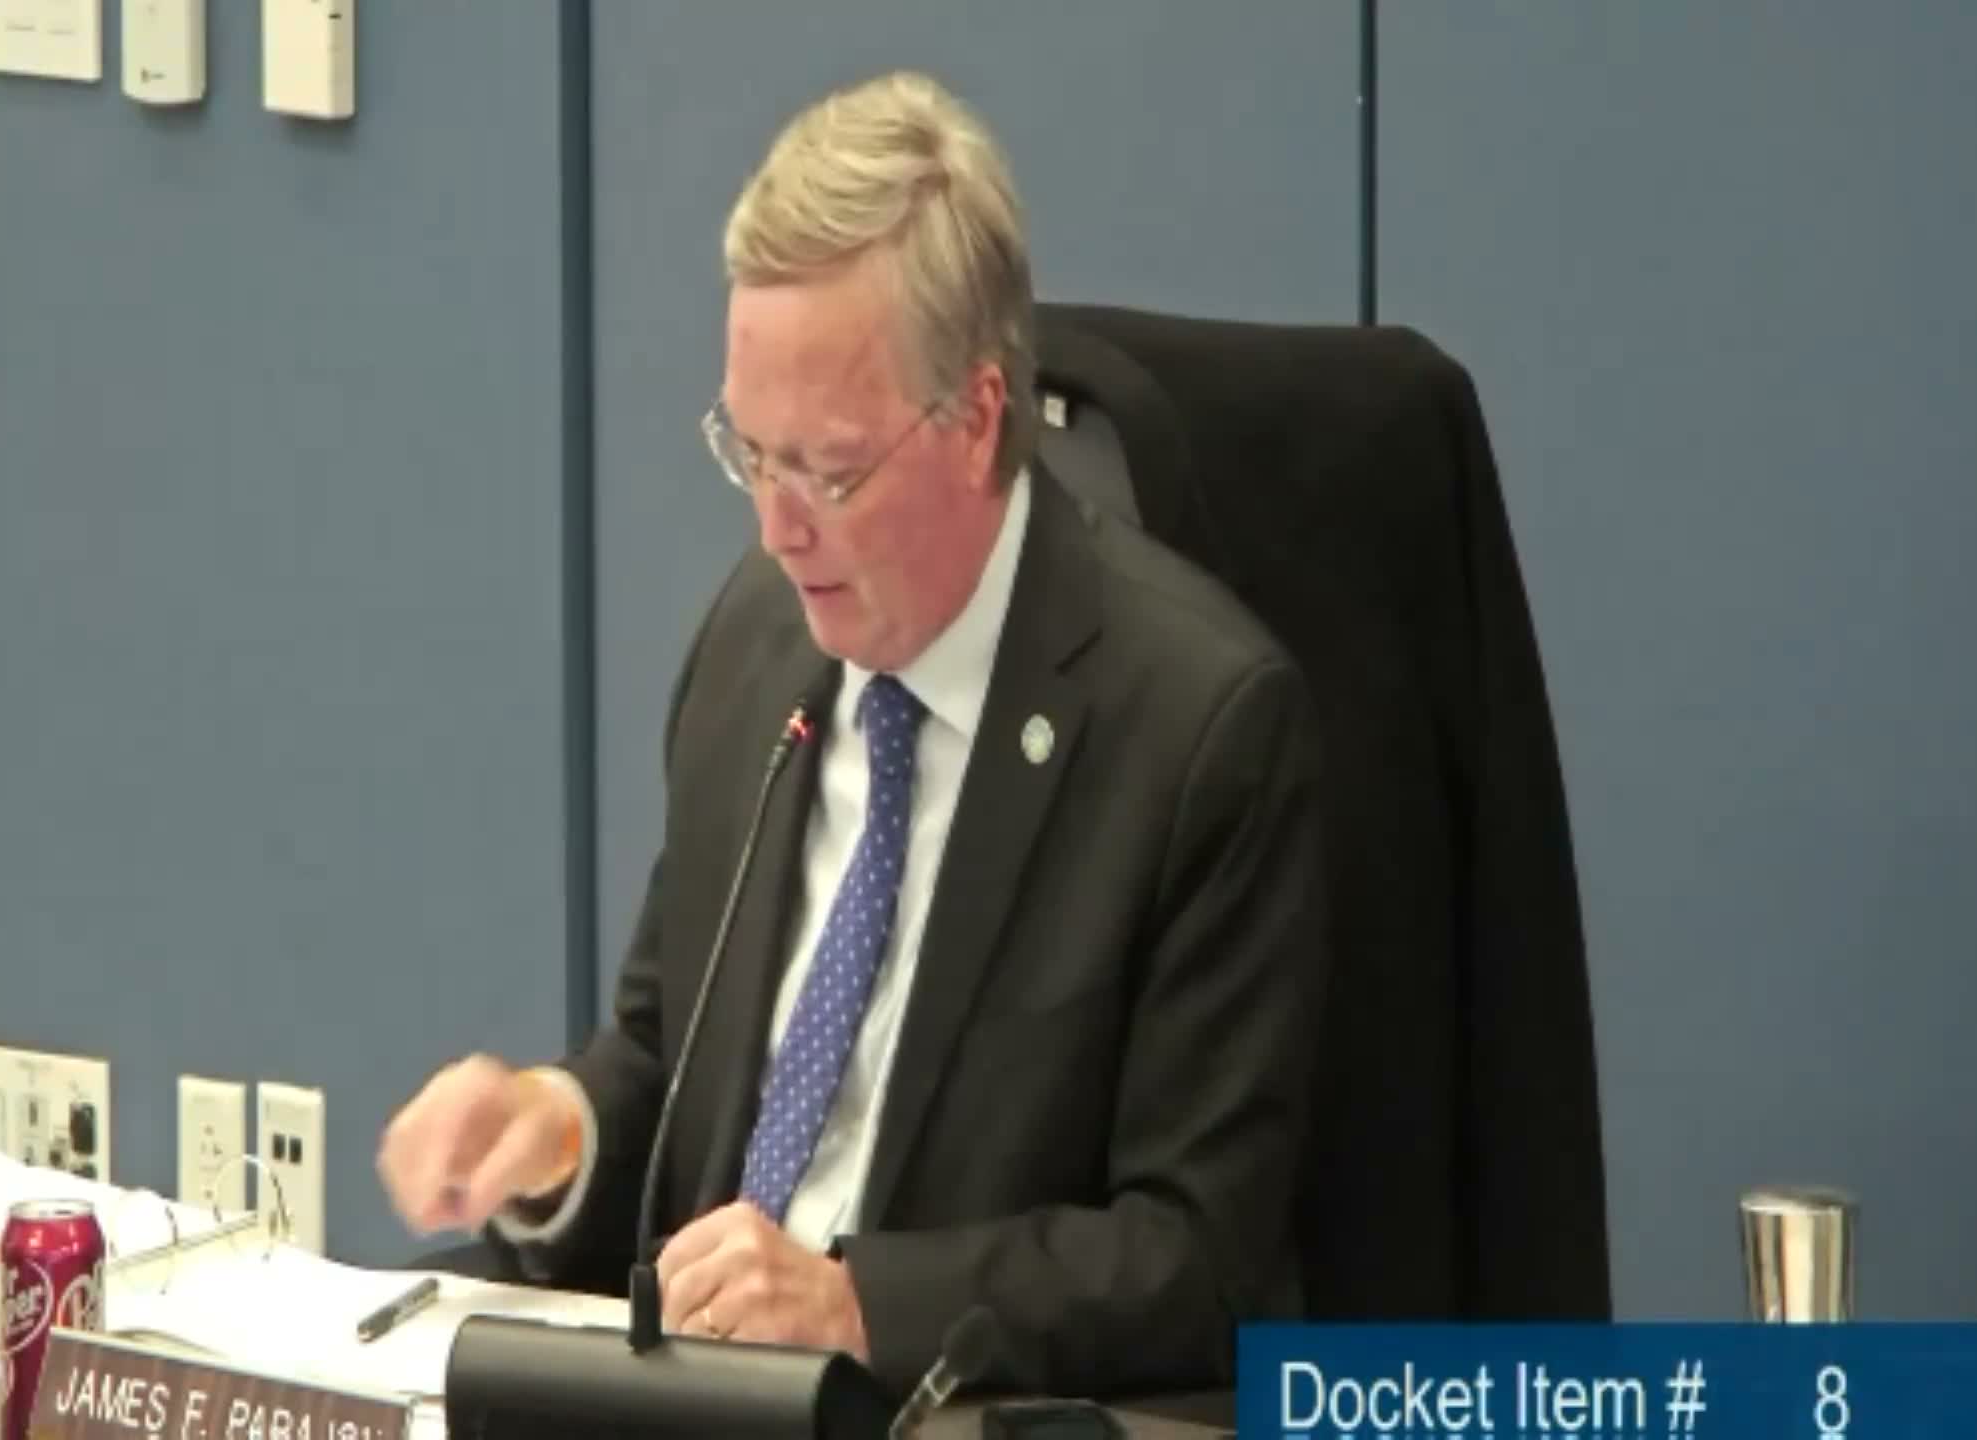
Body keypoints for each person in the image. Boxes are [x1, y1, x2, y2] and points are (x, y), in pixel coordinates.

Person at [378, 69, 1326, 1400]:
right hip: (705, 1401)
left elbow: (1195, 1258)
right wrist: (559, 1129)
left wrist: (853, 1303)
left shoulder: (1197, 732)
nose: (777, 528)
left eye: (827, 469)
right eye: (749, 455)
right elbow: (665, 1057)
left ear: (977, 420)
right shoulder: (758, 642)